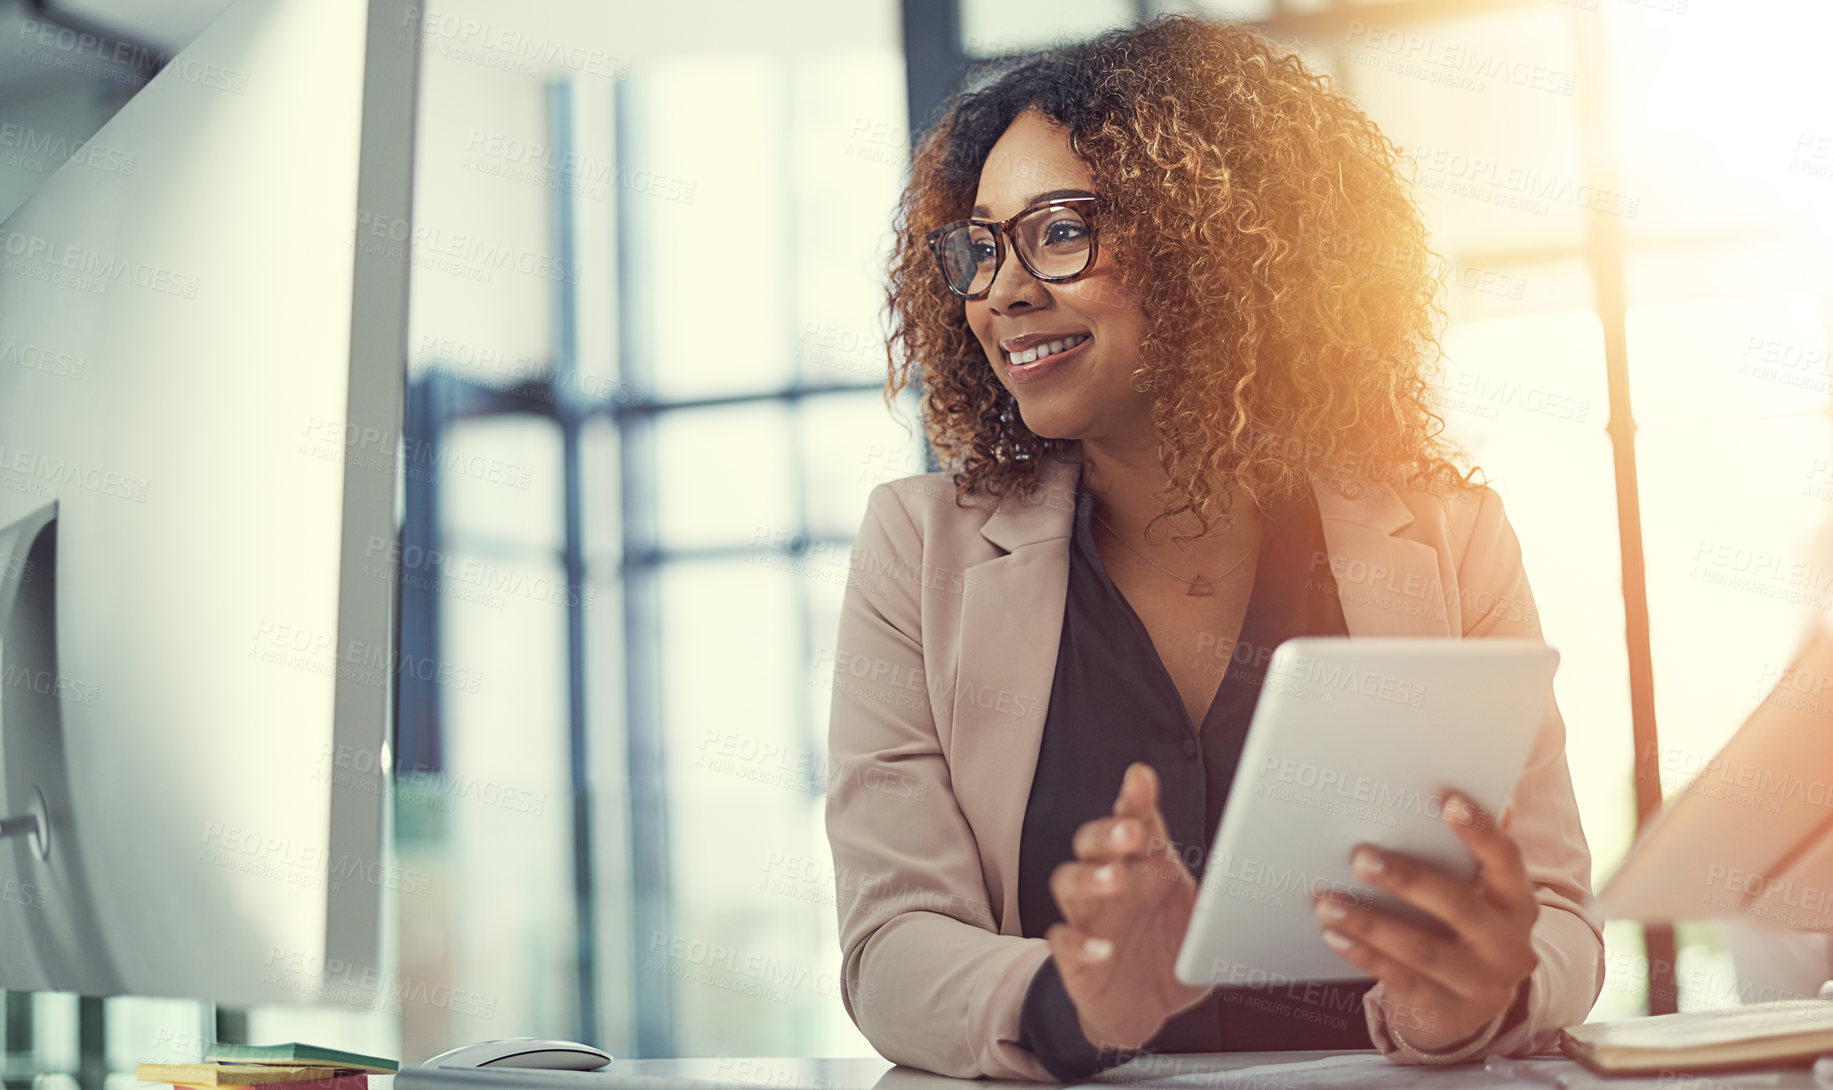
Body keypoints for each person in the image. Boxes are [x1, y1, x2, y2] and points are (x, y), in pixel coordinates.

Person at [822, 14, 1602, 1081]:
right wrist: (1069, 996)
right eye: (978, 247)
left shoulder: (1449, 537)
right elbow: (890, 946)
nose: (999, 291)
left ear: (1216, 248)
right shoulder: (917, 553)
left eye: (1056, 230)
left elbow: (1555, 914)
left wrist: (1476, 992)